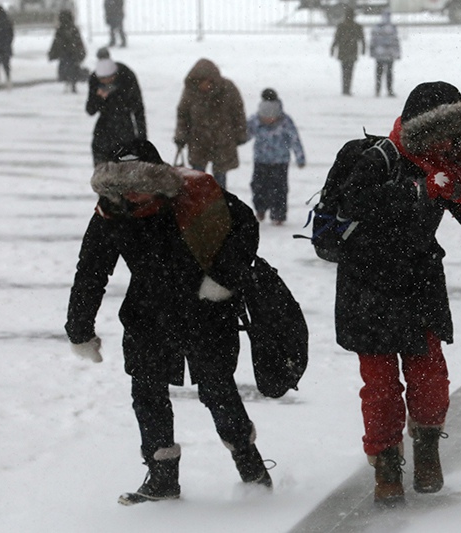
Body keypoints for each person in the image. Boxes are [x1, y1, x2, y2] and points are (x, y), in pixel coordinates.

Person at [65, 139, 272, 504]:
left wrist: (221, 279)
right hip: (148, 316)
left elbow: (244, 229)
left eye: (141, 185)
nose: (134, 195)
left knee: (218, 392)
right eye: (125, 186)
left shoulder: (195, 196)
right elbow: (91, 271)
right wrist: (79, 328)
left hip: (206, 312)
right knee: (147, 394)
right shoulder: (112, 212)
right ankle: (162, 479)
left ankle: (251, 467)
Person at [334, 81, 461, 506]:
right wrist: (419, 190)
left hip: (419, 283)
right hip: (367, 284)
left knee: (429, 377)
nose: (449, 142)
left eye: (456, 134)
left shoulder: (450, 160)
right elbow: (353, 203)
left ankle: (426, 447)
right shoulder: (380, 158)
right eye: (443, 133)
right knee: (380, 385)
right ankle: (386, 464)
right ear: (420, 127)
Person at [174, 58, 247, 190]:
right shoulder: (190, 92)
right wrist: (181, 136)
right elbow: (183, 115)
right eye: (200, 82)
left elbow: (238, 112)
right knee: (198, 180)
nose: (203, 85)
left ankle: (220, 205)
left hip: (223, 141)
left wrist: (240, 133)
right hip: (198, 141)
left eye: (205, 81)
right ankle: (200, 207)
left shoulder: (228, 89)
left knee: (220, 180)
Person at [245, 88, 306, 226]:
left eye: (271, 117)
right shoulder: (255, 120)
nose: (268, 119)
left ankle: (278, 214)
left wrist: (300, 157)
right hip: (261, 160)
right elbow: (245, 135)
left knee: (279, 188)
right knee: (258, 186)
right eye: (265, 117)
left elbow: (294, 140)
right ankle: (260, 209)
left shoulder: (285, 121)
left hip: (280, 162)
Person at [85, 48, 146, 166]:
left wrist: (142, 139)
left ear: (115, 74)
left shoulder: (127, 76)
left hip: (125, 130)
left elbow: (138, 109)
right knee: (103, 175)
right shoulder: (94, 80)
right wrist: (99, 98)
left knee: (125, 172)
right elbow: (90, 110)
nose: (106, 82)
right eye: (102, 80)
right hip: (103, 132)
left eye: (109, 79)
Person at [48, 9, 86, 93]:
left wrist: (52, 53)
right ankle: (73, 84)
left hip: (65, 54)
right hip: (72, 54)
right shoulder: (73, 29)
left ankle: (68, 83)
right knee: (73, 69)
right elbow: (79, 42)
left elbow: (56, 43)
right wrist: (81, 52)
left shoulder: (61, 30)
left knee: (66, 69)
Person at [330, 6, 365, 96]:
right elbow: (361, 39)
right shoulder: (356, 26)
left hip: (344, 51)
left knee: (345, 70)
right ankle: (347, 88)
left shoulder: (342, 26)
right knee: (349, 71)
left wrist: (333, 48)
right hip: (351, 51)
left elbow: (336, 38)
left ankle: (346, 88)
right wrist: (363, 48)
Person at [369, 10, 401, 97]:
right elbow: (395, 41)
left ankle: (378, 90)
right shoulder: (392, 27)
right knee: (389, 73)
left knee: (379, 73)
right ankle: (389, 90)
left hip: (379, 54)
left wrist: (372, 51)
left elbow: (373, 41)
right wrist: (397, 53)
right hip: (389, 54)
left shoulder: (377, 27)